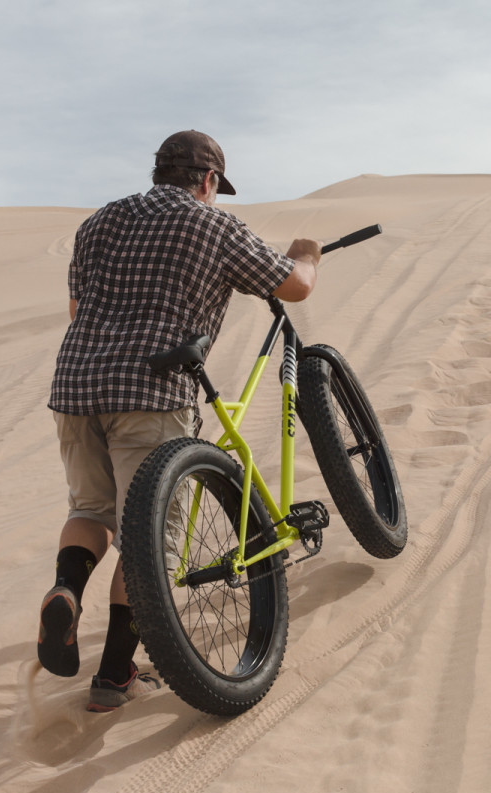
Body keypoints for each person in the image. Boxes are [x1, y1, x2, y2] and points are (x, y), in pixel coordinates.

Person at [37, 130, 321, 712]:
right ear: (209, 181)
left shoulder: (100, 223)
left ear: (158, 172)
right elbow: (292, 285)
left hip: (75, 387)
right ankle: (115, 677)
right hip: (150, 389)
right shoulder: (212, 224)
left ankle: (66, 589)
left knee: (91, 512)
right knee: (149, 541)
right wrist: (308, 252)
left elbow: (75, 308)